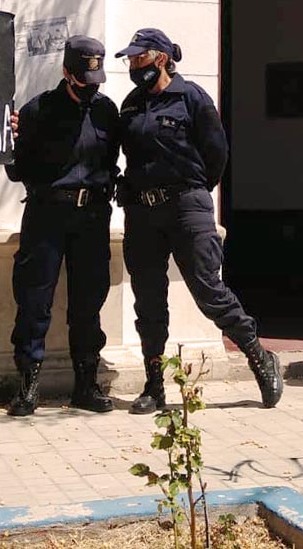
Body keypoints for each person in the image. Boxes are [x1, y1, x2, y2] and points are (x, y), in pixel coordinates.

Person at [114, 28, 283, 413]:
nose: (133, 65)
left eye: (139, 58)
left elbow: (216, 154)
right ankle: (154, 384)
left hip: (186, 207)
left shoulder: (191, 98)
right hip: (142, 211)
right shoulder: (130, 104)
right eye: (131, 59)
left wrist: (189, 190)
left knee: (209, 290)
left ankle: (258, 354)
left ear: (160, 58)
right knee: (149, 300)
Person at [4, 36, 119, 417]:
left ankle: (86, 384)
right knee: (34, 300)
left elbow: (111, 161)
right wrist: (7, 138)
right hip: (47, 214)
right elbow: (16, 168)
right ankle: (27, 385)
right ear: (67, 73)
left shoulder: (107, 112)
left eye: (96, 81)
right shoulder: (37, 111)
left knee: (89, 301)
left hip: (92, 217)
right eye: (84, 81)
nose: (91, 89)